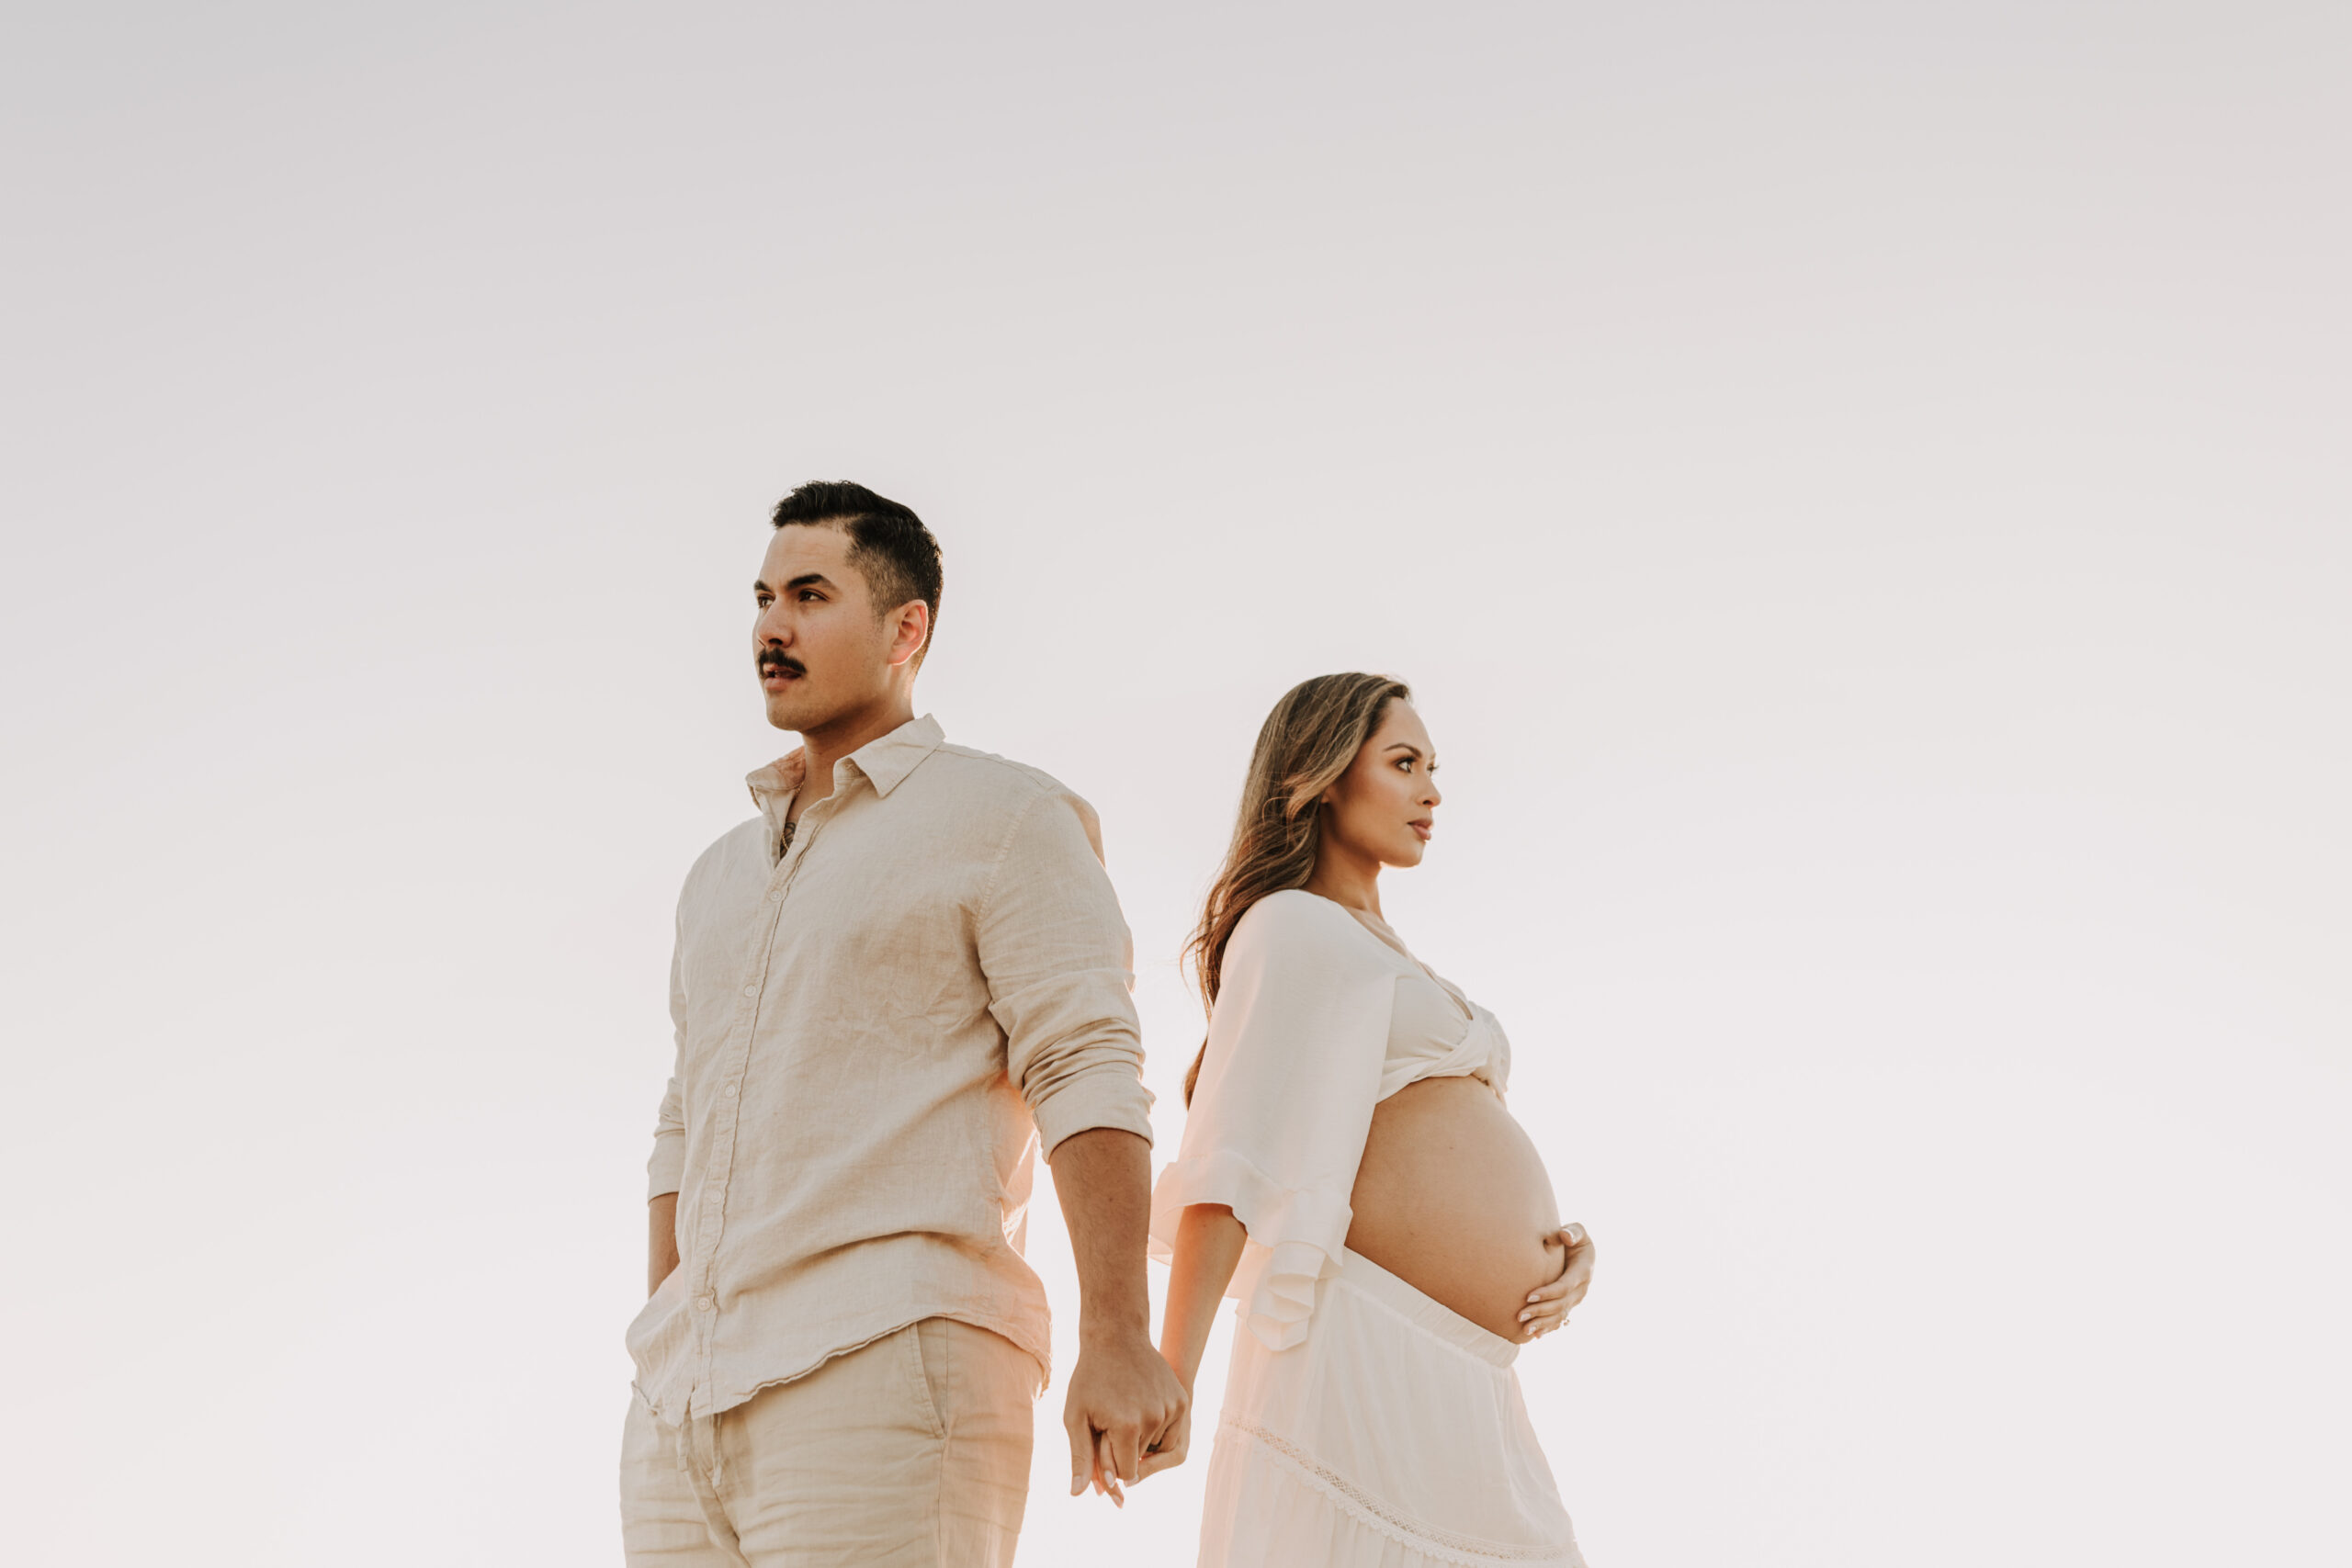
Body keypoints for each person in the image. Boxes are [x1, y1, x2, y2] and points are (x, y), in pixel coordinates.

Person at [619, 481, 1186, 1566]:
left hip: (886, 1360)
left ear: (904, 629)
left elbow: (1084, 1064)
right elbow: (683, 1119)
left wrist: (1116, 1330)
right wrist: (666, 1333)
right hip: (685, 1402)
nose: (770, 627)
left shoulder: (1006, 817)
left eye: (811, 595)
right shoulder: (718, 878)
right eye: (763, 597)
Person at [1147, 672, 1597, 1566]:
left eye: (1433, 767)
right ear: (1317, 777)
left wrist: (1558, 1249)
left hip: (1470, 1378)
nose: (1431, 791)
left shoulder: (1377, 948)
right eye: (1402, 763)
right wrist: (1172, 1378)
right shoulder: (1289, 927)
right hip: (1362, 1356)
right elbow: (1229, 1163)